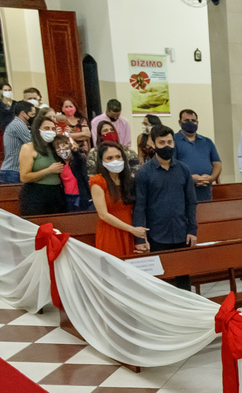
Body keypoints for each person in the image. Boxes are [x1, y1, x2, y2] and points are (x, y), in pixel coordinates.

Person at [134, 124, 197, 288]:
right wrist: (140, 238)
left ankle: (186, 310)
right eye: (162, 143)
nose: (167, 146)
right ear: (153, 144)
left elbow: (191, 202)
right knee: (159, 282)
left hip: (181, 232)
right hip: (157, 235)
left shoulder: (184, 169)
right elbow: (140, 206)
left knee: (183, 280)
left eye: (170, 142)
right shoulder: (144, 173)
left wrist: (192, 230)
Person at [90, 141, 148, 257]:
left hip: (130, 231)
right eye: (109, 158)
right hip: (111, 233)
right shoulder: (98, 181)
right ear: (102, 162)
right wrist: (131, 229)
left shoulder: (129, 180)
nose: (115, 161)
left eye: (118, 157)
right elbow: (103, 215)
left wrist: (141, 236)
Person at [18, 114, 66, 215]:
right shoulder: (28, 148)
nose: (50, 131)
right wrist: (48, 170)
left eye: (53, 129)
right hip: (37, 193)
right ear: (37, 130)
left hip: (56, 192)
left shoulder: (55, 148)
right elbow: (24, 177)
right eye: (46, 128)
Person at [174, 109, 223, 202]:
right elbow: (171, 167)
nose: (190, 123)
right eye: (186, 120)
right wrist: (190, 179)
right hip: (182, 194)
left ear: (197, 122)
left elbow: (217, 163)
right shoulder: (173, 141)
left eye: (193, 121)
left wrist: (211, 178)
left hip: (205, 193)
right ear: (180, 122)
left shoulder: (207, 142)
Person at [51, 134, 92, 212]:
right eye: (58, 148)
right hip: (67, 197)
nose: (62, 149)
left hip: (80, 196)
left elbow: (79, 160)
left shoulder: (77, 160)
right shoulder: (58, 165)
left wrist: (75, 151)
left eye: (64, 146)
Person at [0, 100, 35, 184]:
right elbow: (32, 143)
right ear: (23, 113)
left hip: (13, 172)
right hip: (12, 171)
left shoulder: (20, 125)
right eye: (32, 115)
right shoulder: (18, 124)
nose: (34, 117)